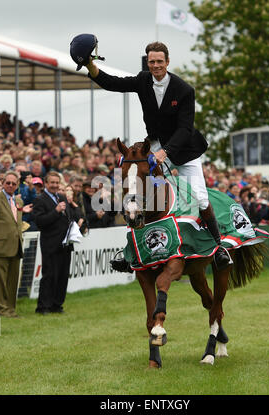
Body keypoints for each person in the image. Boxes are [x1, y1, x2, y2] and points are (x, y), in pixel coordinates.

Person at [84, 40, 232, 270]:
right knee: (137, 191)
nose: (155, 65)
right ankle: (129, 251)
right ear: (148, 62)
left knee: (201, 198)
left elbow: (185, 129)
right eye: (151, 61)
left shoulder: (184, 90)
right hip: (155, 147)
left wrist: (166, 151)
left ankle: (219, 246)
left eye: (159, 61)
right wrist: (90, 66)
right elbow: (113, 83)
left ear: (167, 62)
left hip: (185, 151)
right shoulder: (143, 80)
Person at [32, 171, 74, 315]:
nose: (55, 185)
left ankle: (57, 304)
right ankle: (43, 306)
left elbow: (68, 217)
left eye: (57, 182)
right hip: (50, 243)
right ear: (46, 183)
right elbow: (40, 222)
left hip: (65, 244)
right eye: (52, 183)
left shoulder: (62, 197)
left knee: (63, 275)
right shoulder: (40, 199)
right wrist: (56, 211)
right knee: (50, 275)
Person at [0, 171, 33, 317]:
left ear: (17, 185)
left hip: (16, 245)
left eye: (13, 183)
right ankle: (1, 309)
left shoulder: (18, 202)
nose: (10, 185)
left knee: (12, 281)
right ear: (3, 183)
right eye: (8, 183)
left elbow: (16, 222)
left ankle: (10, 308)